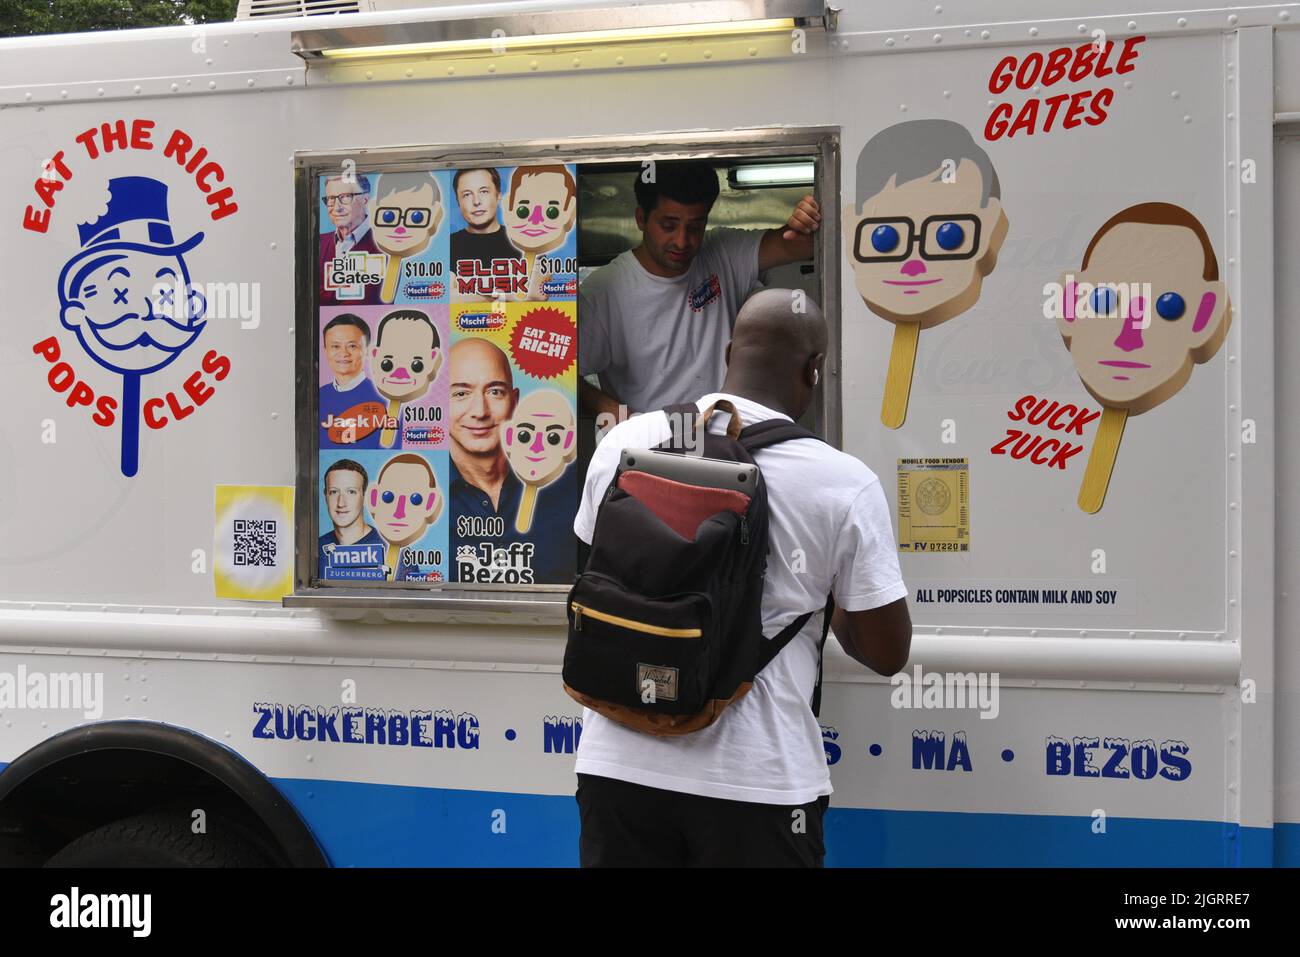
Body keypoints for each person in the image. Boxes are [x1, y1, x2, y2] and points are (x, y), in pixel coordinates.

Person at [572, 288, 912, 867]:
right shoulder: (843, 482)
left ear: (729, 353)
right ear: (813, 370)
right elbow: (887, 651)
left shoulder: (623, 444)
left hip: (616, 767)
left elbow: (593, 580)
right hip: (759, 783)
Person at [578, 160, 822, 420]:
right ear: (641, 219)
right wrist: (620, 416)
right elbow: (560, 378)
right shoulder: (603, 292)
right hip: (646, 452)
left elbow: (799, 245)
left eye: (695, 227)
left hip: (723, 445)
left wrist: (807, 218)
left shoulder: (723, 253)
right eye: (668, 226)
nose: (682, 241)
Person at [447, 338, 576, 583]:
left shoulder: (570, 485)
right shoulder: (422, 490)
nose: (480, 411)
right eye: (461, 393)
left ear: (514, 401)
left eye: (495, 391)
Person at [319, 313, 393, 449]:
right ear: (325, 350)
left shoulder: (386, 400)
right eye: (335, 346)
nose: (343, 353)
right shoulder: (317, 396)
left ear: (367, 350)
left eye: (352, 346)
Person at [317, 458, 385, 579]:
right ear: (325, 496)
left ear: (365, 496)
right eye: (334, 492)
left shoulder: (391, 551)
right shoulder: (314, 550)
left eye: (351, 492)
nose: (341, 503)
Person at [319, 173, 382, 306]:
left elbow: (362, 301)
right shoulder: (317, 243)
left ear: (365, 200)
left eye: (346, 197)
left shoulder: (384, 245)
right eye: (331, 199)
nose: (336, 207)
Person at [450, 168, 520, 276]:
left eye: (484, 191)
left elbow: (540, 288)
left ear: (498, 196)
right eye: (467, 194)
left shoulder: (523, 243)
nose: (476, 201)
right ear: (458, 201)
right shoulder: (446, 246)